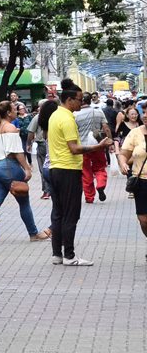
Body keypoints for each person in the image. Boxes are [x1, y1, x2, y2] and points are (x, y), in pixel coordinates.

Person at [48, 79, 112, 266]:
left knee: (58, 212)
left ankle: (57, 254)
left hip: (56, 169)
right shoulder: (67, 119)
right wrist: (97, 146)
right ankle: (69, 255)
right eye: (78, 98)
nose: (81, 102)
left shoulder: (55, 115)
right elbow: (74, 149)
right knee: (71, 214)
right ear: (69, 100)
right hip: (68, 169)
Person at [0, 101, 50, 241]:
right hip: (8, 166)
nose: (17, 111)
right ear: (8, 113)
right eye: (14, 109)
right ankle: (33, 234)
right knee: (24, 202)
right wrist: (27, 168)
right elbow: (17, 152)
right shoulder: (10, 127)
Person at [117, 116, 147, 252]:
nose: (145, 115)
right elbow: (124, 154)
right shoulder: (135, 133)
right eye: (144, 112)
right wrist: (123, 163)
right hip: (140, 181)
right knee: (143, 220)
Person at [75, 93, 111, 203]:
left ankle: (89, 197)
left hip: (83, 147)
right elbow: (106, 128)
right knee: (100, 168)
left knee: (86, 173)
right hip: (98, 145)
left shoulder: (75, 115)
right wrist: (110, 141)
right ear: (91, 100)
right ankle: (100, 184)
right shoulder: (98, 112)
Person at [28, 99, 58, 200]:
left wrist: (29, 144)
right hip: (56, 144)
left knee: (44, 167)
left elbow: (31, 132)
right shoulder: (57, 117)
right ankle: (54, 189)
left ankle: (46, 191)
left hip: (42, 144)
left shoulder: (38, 117)